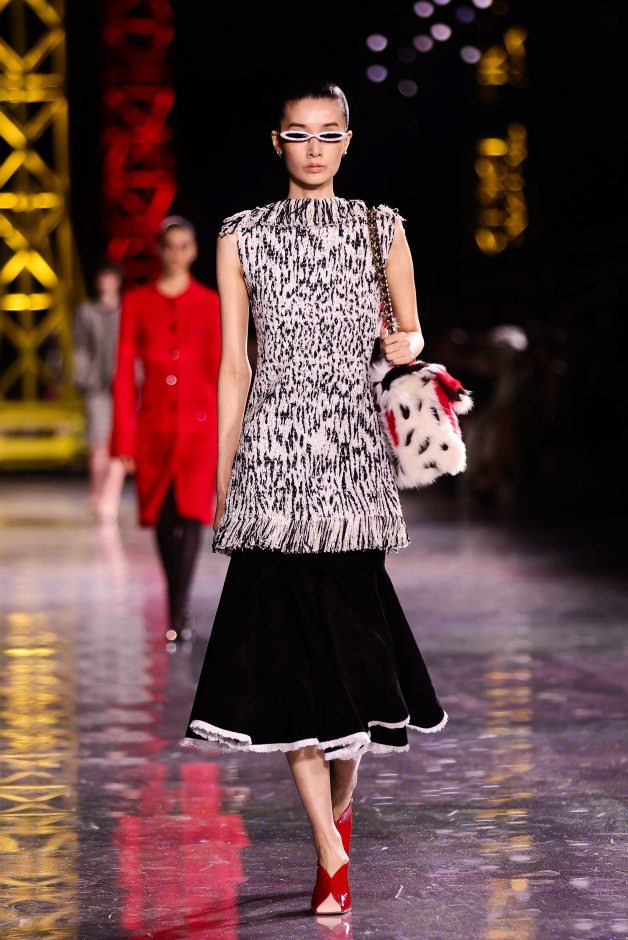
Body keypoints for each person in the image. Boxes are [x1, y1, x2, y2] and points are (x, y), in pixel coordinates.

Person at [180, 80, 448, 916]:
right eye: (298, 134)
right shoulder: (240, 235)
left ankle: (340, 813)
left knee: (352, 658)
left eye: (328, 133)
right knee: (290, 664)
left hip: (354, 465)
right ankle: (329, 847)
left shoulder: (382, 227)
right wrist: (225, 476)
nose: (314, 148)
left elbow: (411, 334)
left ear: (347, 141)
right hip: (271, 463)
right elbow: (235, 365)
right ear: (277, 142)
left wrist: (406, 339)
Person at [109, 216, 221, 646]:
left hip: (199, 427)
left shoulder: (209, 303)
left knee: (191, 513)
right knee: (162, 512)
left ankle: (179, 606)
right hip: (154, 426)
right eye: (169, 246)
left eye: (183, 246)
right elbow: (123, 372)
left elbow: (220, 369)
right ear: (159, 250)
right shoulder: (137, 302)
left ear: (194, 251)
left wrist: (229, 432)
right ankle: (176, 601)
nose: (176, 254)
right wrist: (123, 436)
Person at [72, 258, 125, 520]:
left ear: (117, 281)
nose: (106, 283)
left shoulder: (127, 310)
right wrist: (82, 377)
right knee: (98, 442)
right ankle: (98, 493)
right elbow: (79, 346)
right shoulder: (86, 311)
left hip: (125, 385)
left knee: (121, 442)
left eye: (110, 277)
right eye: (102, 278)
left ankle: (109, 495)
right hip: (96, 386)